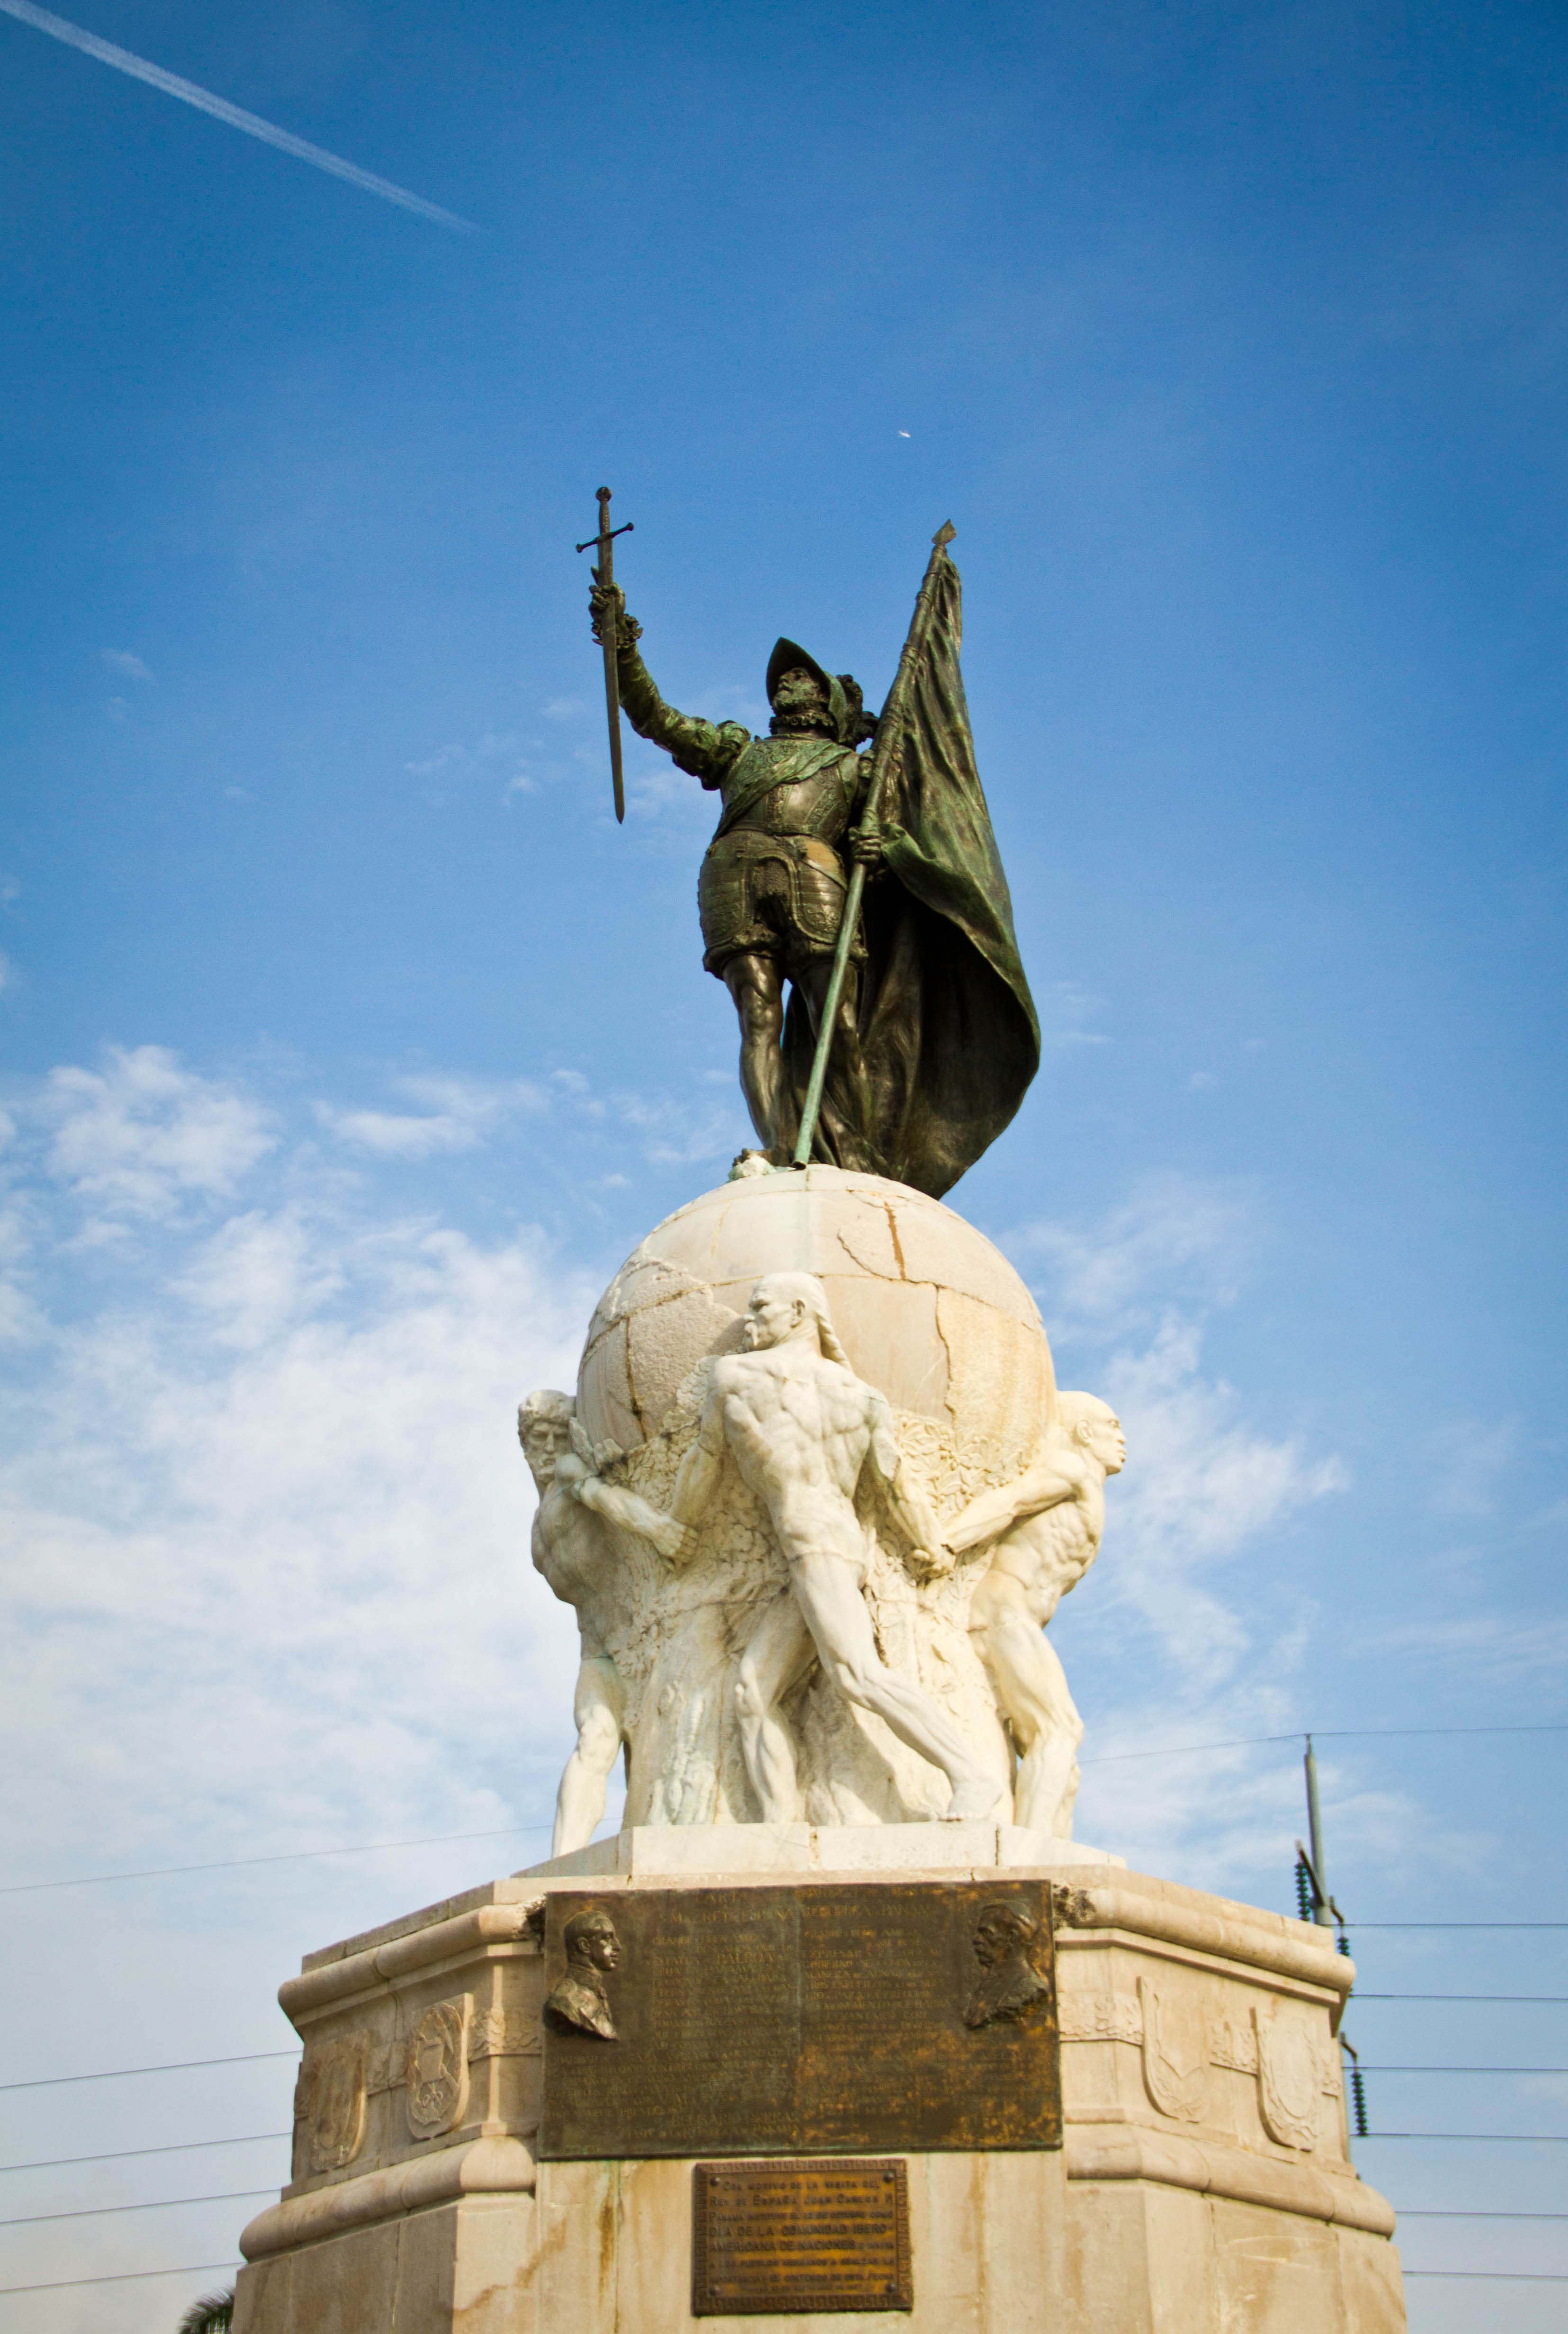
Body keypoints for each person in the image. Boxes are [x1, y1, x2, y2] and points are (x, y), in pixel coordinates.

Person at [588, 553, 1040, 1199]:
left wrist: (884, 846)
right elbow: (656, 717)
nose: (790, 680)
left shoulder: (859, 771)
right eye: (785, 676)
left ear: (828, 702)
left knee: (843, 1018)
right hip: (734, 871)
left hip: (815, 873)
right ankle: (777, 1144)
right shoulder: (738, 751)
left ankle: (851, 1150)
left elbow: (899, 841)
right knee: (757, 1017)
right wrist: (621, 645)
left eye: (804, 676)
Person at [667, 1271, 1001, 1825]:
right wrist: (930, 1545)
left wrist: (673, 1526)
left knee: (858, 1674)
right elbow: (895, 1485)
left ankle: (969, 1776)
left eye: (760, 1307)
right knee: (752, 1690)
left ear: (798, 1312)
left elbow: (703, 1460)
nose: (748, 1321)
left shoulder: (734, 1376)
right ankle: (779, 1830)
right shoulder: (861, 1395)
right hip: (833, 1543)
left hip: (815, 1545)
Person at [943, 1394, 1126, 1838]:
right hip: (1001, 1615)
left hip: (1017, 1621)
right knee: (1061, 1729)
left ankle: (1053, 1856)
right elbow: (1008, 1502)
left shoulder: (1088, 1487)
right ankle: (1027, 1856)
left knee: (1067, 1772)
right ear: (1084, 1431)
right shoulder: (1071, 1470)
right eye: (1113, 1424)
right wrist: (946, 1542)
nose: (1122, 1438)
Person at [517, 1390, 687, 1856]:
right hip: (597, 1651)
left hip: (638, 1639)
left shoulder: (572, 1474)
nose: (548, 1449)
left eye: (556, 1435)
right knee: (594, 1741)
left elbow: (609, 1501)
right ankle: (561, 1863)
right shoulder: (540, 1514)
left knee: (647, 1757)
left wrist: (660, 1528)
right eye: (537, 1439)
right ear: (525, 1446)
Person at [544, 1906, 622, 2040]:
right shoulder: (564, 2001)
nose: (617, 1946)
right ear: (585, 1946)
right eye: (607, 1939)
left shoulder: (597, 1992)